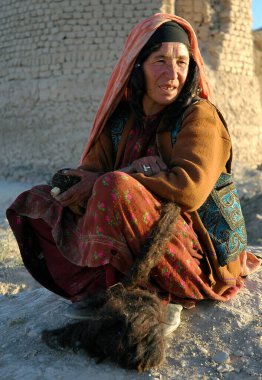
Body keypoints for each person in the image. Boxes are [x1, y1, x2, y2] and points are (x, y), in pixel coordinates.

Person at [6, 13, 260, 371]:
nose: (172, 74)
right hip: (143, 242)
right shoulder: (123, 120)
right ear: (138, 66)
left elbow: (188, 190)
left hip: (196, 257)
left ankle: (159, 293)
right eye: (159, 62)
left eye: (181, 63)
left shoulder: (198, 117)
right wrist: (72, 184)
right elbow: (93, 174)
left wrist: (122, 179)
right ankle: (113, 287)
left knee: (116, 189)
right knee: (37, 201)